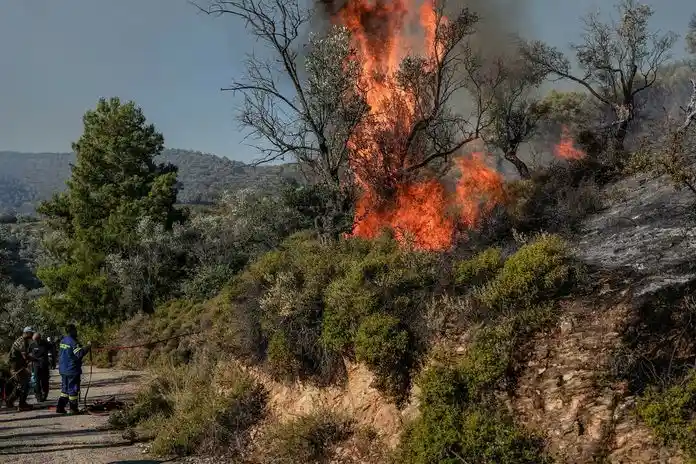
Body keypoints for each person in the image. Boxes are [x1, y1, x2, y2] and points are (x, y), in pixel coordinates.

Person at [56, 324, 91, 414]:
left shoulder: (63, 340)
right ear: (72, 331)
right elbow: (79, 354)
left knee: (65, 390)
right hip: (72, 370)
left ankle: (60, 408)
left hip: (63, 369)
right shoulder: (73, 342)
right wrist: (88, 347)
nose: (76, 332)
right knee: (73, 389)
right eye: (75, 330)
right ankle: (73, 409)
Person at [6, 327, 36, 411]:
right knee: (22, 385)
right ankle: (17, 403)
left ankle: (15, 402)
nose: (32, 335)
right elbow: (25, 356)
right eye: (31, 333)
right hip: (15, 367)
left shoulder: (25, 341)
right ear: (26, 333)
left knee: (25, 383)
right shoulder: (22, 342)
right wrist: (34, 359)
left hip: (19, 366)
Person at [30, 332, 52, 402]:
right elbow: (28, 354)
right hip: (36, 366)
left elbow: (52, 349)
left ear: (40, 339)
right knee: (36, 381)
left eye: (37, 340)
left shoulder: (45, 343)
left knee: (45, 381)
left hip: (44, 365)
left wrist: (52, 361)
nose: (36, 341)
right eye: (35, 340)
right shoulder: (32, 345)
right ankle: (38, 396)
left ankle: (45, 395)